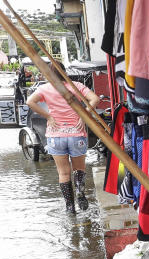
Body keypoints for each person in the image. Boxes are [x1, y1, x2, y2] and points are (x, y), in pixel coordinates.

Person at [26, 62, 100, 215]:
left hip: (56, 136)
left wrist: (48, 116)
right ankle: (80, 194)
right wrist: (83, 114)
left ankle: (70, 207)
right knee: (79, 169)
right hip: (76, 134)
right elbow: (95, 99)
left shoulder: (45, 88)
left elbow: (30, 101)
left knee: (63, 173)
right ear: (64, 72)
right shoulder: (76, 86)